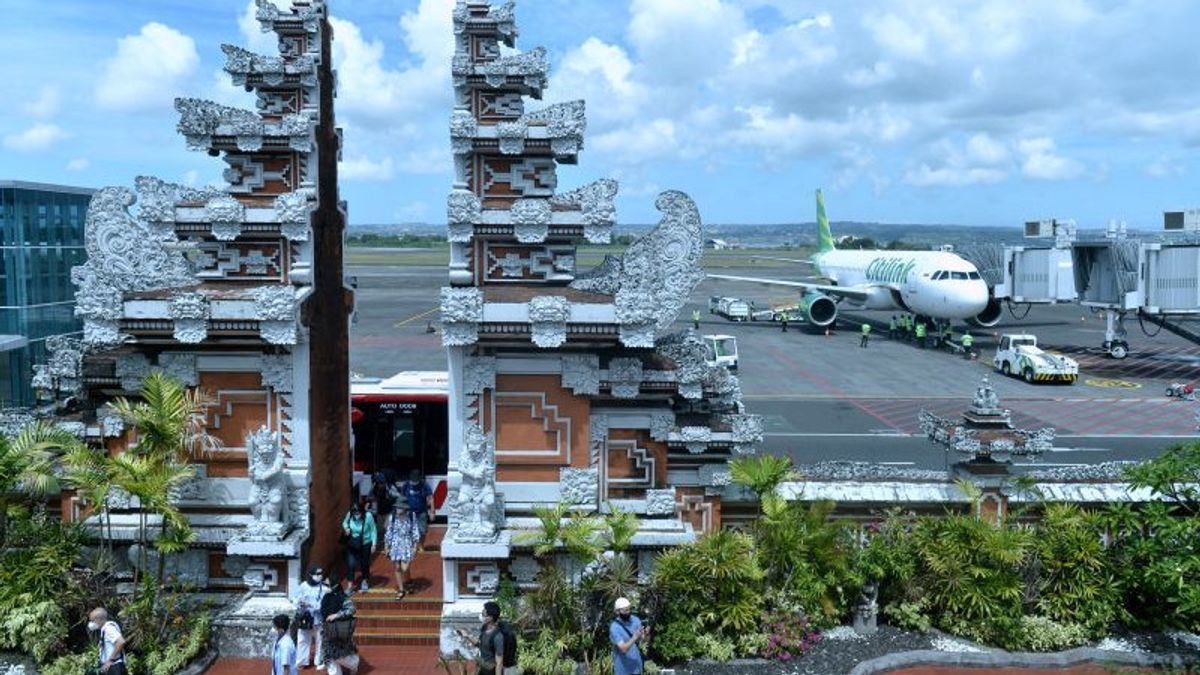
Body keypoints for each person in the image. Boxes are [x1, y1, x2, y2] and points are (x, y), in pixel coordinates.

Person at [456, 601, 508, 675]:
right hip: (482, 668)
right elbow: (480, 643)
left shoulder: (498, 637)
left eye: (484, 613)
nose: (482, 615)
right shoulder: (485, 628)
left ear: (491, 617)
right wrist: (467, 635)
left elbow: (499, 662)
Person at [321, 575, 360, 675]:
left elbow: (352, 609)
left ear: (334, 586)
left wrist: (337, 615)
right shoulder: (325, 597)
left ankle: (354, 664)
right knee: (329, 656)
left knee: (342, 656)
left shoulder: (342, 597)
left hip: (340, 631)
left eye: (327, 585)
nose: (324, 587)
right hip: (327, 631)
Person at [386, 500, 421, 599]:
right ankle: (401, 590)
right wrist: (387, 546)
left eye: (400, 507)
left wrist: (415, 546)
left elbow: (415, 529)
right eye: (397, 507)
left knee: (405, 567)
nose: (398, 509)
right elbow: (389, 531)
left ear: (405, 508)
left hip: (406, 543)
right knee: (397, 567)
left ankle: (408, 580)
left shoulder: (411, 516)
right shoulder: (392, 517)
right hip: (395, 543)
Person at [296, 564, 329, 669]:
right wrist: (300, 603)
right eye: (318, 573)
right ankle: (301, 662)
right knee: (303, 640)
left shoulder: (324, 588)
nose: (320, 576)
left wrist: (312, 606)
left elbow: (326, 604)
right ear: (311, 575)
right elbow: (295, 599)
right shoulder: (303, 585)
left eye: (321, 573)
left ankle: (318, 661)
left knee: (320, 640)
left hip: (319, 619)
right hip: (305, 618)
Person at [342, 501, 376, 592]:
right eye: (355, 514)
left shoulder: (368, 516)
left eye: (358, 513)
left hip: (365, 543)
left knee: (364, 563)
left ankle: (365, 581)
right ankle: (350, 586)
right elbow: (344, 522)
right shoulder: (350, 514)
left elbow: (373, 530)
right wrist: (346, 528)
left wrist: (374, 544)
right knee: (351, 564)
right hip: (353, 543)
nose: (357, 515)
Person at [610, 597, 647, 675]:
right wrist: (634, 637)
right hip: (622, 669)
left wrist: (646, 634)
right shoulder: (614, 627)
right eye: (625, 610)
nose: (628, 612)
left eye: (629, 609)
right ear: (617, 612)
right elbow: (623, 649)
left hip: (637, 666)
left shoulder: (635, 620)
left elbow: (643, 640)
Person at [401, 469, 434, 552]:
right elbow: (402, 498)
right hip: (409, 511)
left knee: (422, 530)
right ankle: (412, 545)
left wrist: (432, 511)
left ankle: (421, 545)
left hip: (421, 511)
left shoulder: (424, 485)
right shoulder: (406, 485)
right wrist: (402, 511)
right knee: (409, 529)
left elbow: (430, 497)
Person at [88, 608, 126, 675]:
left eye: (92, 621)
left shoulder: (109, 628)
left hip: (115, 667)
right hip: (110, 667)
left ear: (99, 619)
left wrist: (110, 660)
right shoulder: (105, 629)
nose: (91, 623)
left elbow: (121, 641)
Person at [368, 470, 399, 553]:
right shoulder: (374, 489)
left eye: (381, 483)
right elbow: (369, 498)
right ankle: (380, 545)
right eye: (378, 483)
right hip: (379, 512)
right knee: (380, 530)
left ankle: (387, 546)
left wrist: (391, 496)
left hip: (389, 511)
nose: (380, 485)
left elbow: (398, 497)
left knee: (387, 528)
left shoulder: (390, 487)